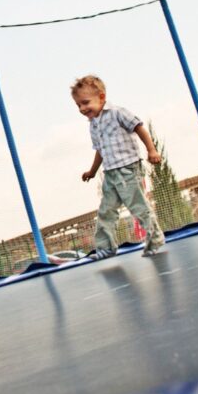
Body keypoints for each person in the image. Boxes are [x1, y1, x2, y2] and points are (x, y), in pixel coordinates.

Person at [72, 75, 167, 258]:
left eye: (85, 103)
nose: (83, 109)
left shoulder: (117, 112)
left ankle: (155, 237)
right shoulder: (93, 125)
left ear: (101, 97)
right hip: (110, 174)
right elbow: (100, 150)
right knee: (106, 211)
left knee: (138, 206)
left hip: (128, 169)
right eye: (79, 106)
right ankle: (106, 247)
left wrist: (152, 150)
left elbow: (139, 127)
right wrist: (92, 172)